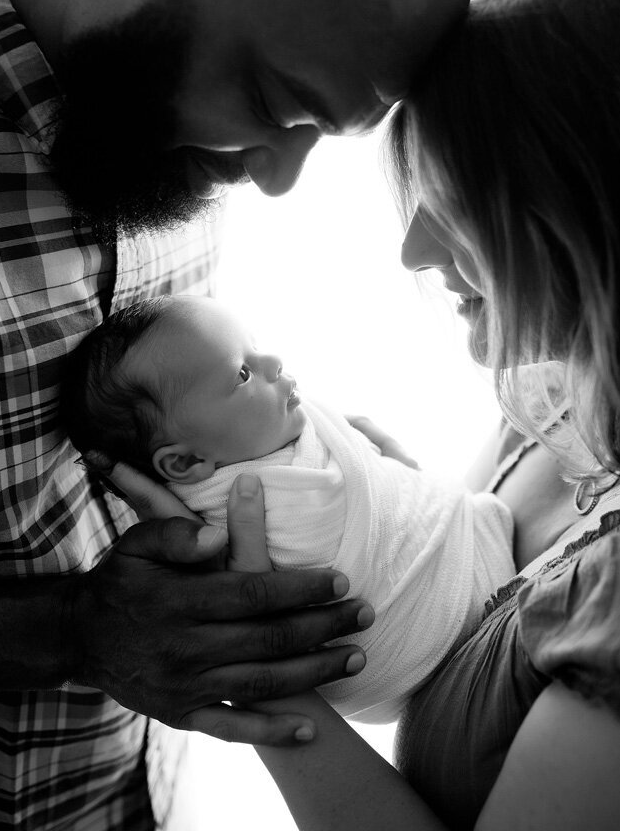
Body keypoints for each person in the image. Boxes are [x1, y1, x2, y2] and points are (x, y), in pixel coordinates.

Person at [0, 0, 478, 827]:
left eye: (317, 131)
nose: (272, 177)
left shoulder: (152, 108)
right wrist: (73, 630)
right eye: (268, 102)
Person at [160, 0, 620, 830]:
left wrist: (259, 675)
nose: (413, 250)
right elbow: (463, 620)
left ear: (610, 201)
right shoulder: (554, 401)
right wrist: (392, 521)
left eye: (459, 199)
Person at [61, 293, 516, 722]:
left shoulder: (263, 440)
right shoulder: (253, 505)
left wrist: (394, 489)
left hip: (464, 590)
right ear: (186, 461)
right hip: (421, 639)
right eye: (242, 374)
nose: (273, 363)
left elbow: (382, 499)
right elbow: (318, 572)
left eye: (255, 348)